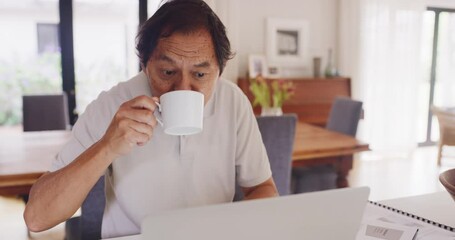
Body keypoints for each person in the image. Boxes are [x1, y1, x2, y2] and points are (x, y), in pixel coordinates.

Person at [23, 0, 278, 238]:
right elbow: (37, 217)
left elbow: (262, 189)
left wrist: (225, 230)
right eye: (168, 71)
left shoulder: (233, 102)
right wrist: (107, 146)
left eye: (200, 74)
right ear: (145, 65)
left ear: (219, 71)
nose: (183, 89)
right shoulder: (112, 105)